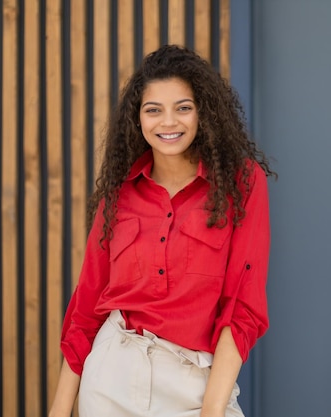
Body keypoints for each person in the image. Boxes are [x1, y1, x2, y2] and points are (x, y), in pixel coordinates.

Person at [48, 44, 275, 417]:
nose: (168, 122)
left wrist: (213, 407)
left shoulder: (242, 183)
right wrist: (59, 410)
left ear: (204, 112)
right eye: (153, 110)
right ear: (137, 120)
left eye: (183, 108)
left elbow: (243, 306)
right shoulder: (118, 194)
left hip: (194, 383)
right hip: (111, 379)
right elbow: (86, 306)